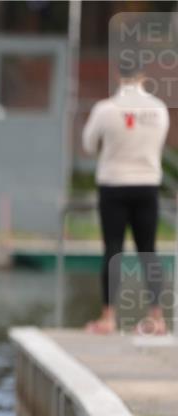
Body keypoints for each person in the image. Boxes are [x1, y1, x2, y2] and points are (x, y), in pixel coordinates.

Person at [81, 62, 170, 335]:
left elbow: (87, 144)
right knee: (148, 250)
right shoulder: (158, 109)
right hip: (147, 185)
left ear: (117, 75)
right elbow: (159, 143)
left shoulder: (105, 109)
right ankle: (157, 317)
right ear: (144, 75)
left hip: (114, 185)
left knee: (113, 250)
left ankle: (109, 317)